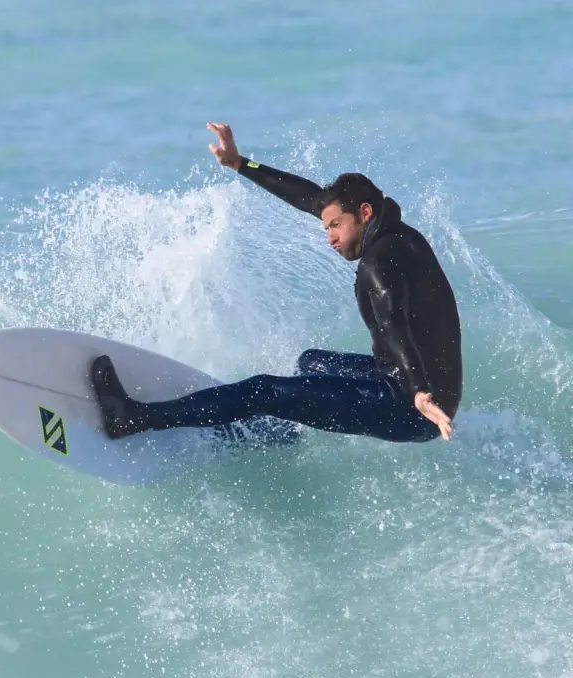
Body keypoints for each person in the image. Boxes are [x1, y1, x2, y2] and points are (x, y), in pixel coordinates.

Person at [90, 122, 463, 443]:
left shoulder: (378, 264)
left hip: (412, 407)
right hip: (416, 385)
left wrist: (418, 392)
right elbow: (308, 197)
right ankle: (279, 432)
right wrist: (240, 163)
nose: (330, 238)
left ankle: (134, 419)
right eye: (326, 226)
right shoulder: (400, 235)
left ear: (364, 213)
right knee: (310, 363)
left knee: (263, 389)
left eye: (335, 226)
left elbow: (393, 323)